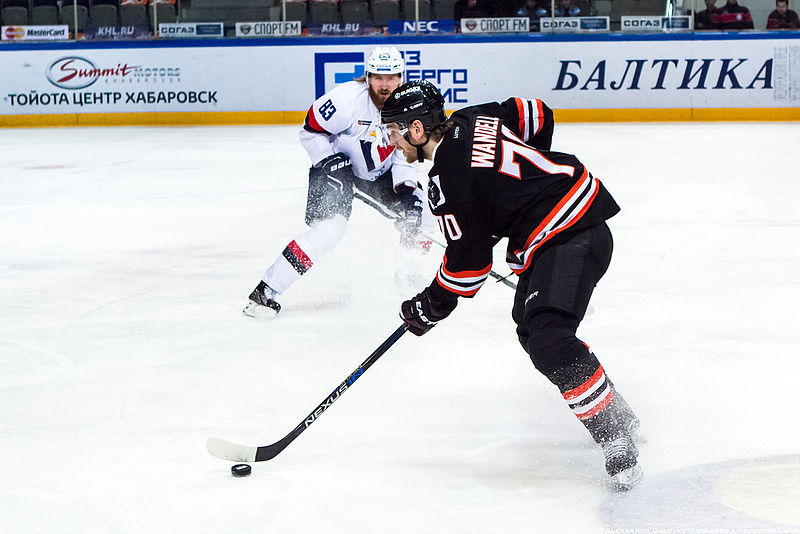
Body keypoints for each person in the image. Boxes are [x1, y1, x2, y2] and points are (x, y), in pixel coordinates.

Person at [380, 81, 643, 490]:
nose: (390, 143)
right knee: (530, 326)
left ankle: (616, 434)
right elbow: (537, 113)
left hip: (571, 233)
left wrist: (426, 307)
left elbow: (468, 268)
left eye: (393, 132)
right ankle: (618, 414)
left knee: (548, 338)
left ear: (416, 130)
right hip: (571, 223)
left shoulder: (447, 183)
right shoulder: (472, 118)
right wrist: (520, 191)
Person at [244, 47, 431, 318]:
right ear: (367, 77)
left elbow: (405, 154)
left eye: (391, 77)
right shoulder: (345, 99)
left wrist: (406, 193)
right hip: (334, 168)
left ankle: (407, 280)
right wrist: (329, 162)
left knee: (422, 214)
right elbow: (310, 131)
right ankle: (266, 292)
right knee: (329, 231)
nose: (385, 84)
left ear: (401, 77)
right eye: (378, 77)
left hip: (379, 173)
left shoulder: (409, 105)